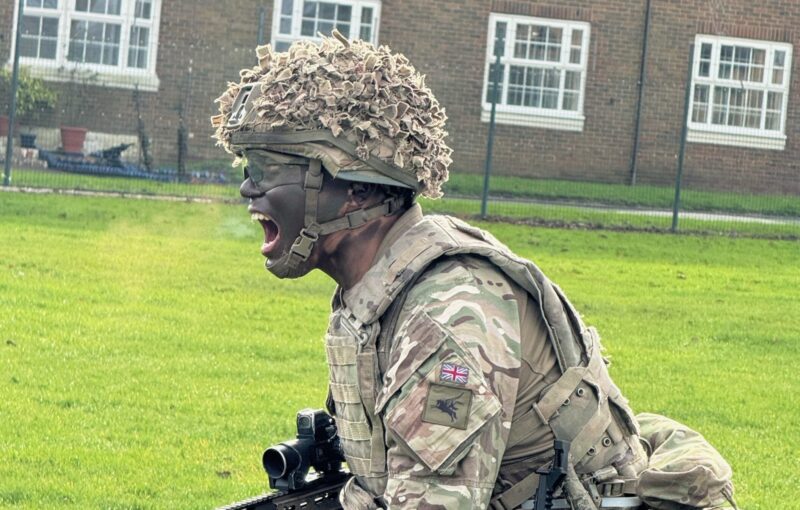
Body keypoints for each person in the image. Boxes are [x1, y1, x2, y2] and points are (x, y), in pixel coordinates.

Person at [212, 33, 736, 510]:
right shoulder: (379, 289)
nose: (248, 189)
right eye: (247, 170)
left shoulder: (447, 317)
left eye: (268, 170)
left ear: (356, 189)